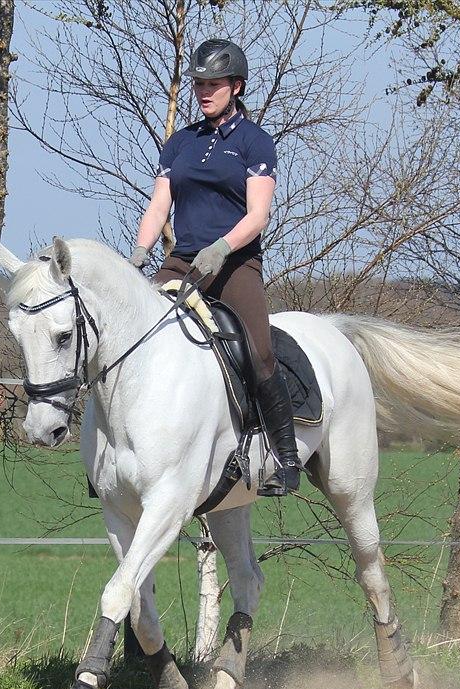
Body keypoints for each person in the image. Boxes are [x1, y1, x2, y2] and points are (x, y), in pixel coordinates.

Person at [129, 38, 301, 496]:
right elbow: (158, 205)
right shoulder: (180, 143)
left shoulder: (254, 141)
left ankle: (285, 458)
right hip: (182, 261)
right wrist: (139, 254)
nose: (204, 92)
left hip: (234, 263)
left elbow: (257, 216)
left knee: (259, 351)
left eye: (214, 84)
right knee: (135, 331)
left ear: (236, 86)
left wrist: (223, 247)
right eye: (199, 84)